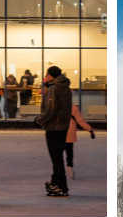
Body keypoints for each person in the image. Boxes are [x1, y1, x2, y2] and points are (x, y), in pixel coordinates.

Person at [35, 66, 73, 197]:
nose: (46, 76)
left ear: (52, 75)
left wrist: (38, 120)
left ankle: (60, 185)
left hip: (54, 127)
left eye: (47, 74)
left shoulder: (54, 89)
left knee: (56, 157)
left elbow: (51, 109)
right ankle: (56, 181)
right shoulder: (65, 88)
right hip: (62, 126)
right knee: (57, 156)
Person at [64, 102, 96, 182]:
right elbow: (80, 121)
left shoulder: (57, 106)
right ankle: (70, 169)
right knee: (69, 152)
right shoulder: (73, 107)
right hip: (69, 133)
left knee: (58, 154)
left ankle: (59, 172)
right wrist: (90, 130)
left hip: (58, 133)